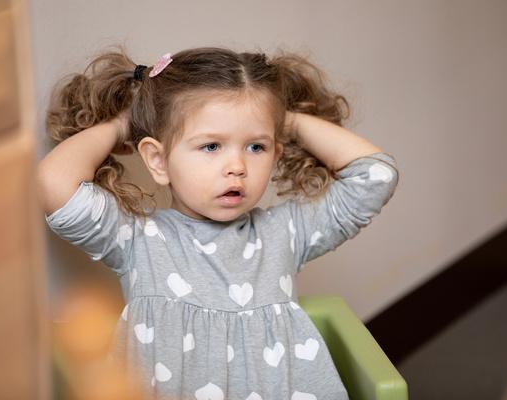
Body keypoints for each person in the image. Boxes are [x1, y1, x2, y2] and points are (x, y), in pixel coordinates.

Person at [38, 46, 399, 400]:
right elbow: (53, 183)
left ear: (277, 149)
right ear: (158, 160)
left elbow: (376, 176)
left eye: (256, 147)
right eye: (212, 146)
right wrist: (122, 125)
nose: (238, 166)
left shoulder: (284, 233)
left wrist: (285, 119)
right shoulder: (137, 240)